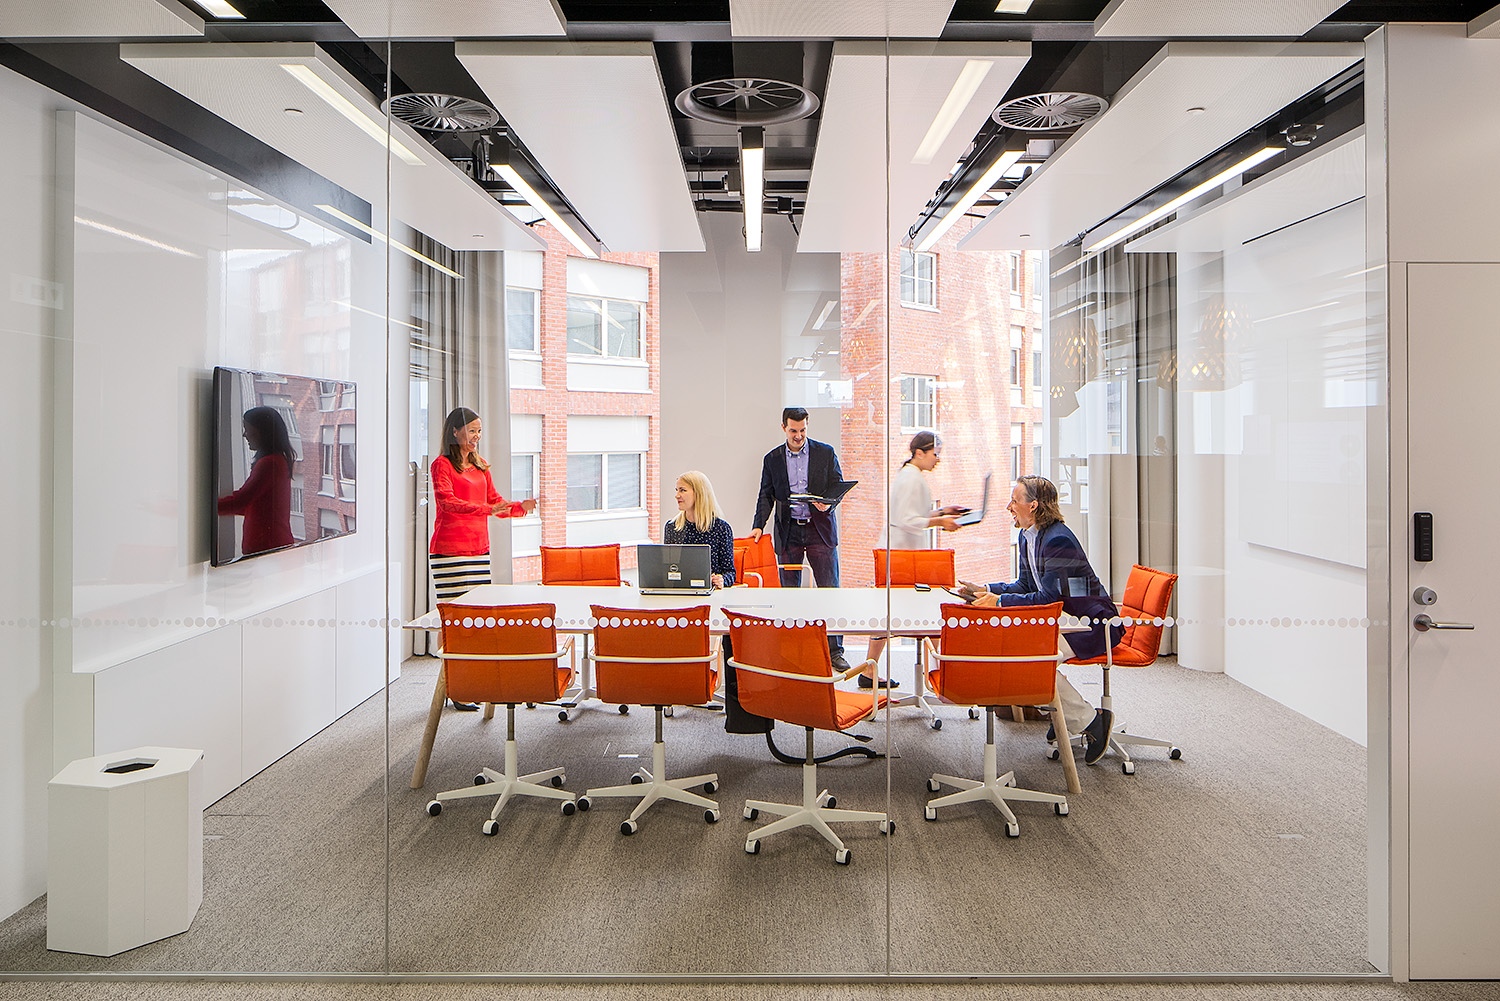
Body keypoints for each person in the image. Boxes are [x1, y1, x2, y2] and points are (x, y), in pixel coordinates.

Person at [958, 474, 1123, 765]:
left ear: (1033, 505)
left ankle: (1088, 721)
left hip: (1094, 625)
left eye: (1015, 500)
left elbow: (1048, 598)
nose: (1009, 506)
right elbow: (1025, 585)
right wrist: (987, 590)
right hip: (1064, 622)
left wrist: (997, 602)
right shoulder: (1028, 535)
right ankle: (1068, 713)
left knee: (1029, 663)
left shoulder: (1058, 540)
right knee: (1018, 657)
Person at [429, 406, 537, 710]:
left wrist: (520, 507)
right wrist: (487, 510)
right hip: (449, 549)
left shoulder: (481, 466)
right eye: (472, 430)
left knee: (475, 620)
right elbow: (447, 503)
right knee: (453, 619)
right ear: (455, 431)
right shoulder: (442, 465)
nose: (477, 436)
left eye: (479, 431)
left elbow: (495, 503)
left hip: (478, 549)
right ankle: (452, 686)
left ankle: (469, 681)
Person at [751, 407, 850, 671]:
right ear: (784, 427)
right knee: (789, 595)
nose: (798, 436)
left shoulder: (825, 452)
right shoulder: (772, 459)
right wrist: (758, 526)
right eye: (793, 431)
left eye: (803, 430)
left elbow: (836, 487)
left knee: (829, 591)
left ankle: (835, 651)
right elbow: (766, 494)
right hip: (789, 530)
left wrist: (827, 504)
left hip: (819, 530)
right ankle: (791, 649)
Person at [864, 431, 962, 687]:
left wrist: (942, 511)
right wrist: (940, 521)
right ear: (920, 453)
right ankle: (942, 672)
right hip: (900, 556)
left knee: (889, 614)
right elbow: (907, 520)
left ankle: (871, 671)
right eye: (934, 454)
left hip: (902, 553)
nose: (937, 460)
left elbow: (912, 514)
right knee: (896, 613)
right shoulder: (911, 478)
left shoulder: (910, 474)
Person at [217, 406, 296, 557]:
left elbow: (241, 502)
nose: (244, 435)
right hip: (271, 546)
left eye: (247, 429)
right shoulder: (278, 461)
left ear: (263, 431)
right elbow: (254, 506)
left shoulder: (269, 463)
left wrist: (202, 510)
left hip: (267, 548)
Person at [664, 470, 735, 589]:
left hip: (710, 594)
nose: (677, 495)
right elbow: (667, 569)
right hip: (679, 593)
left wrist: (722, 580)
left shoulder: (721, 528)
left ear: (699, 493)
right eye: (677, 490)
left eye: (683, 490)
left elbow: (730, 573)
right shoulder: (672, 527)